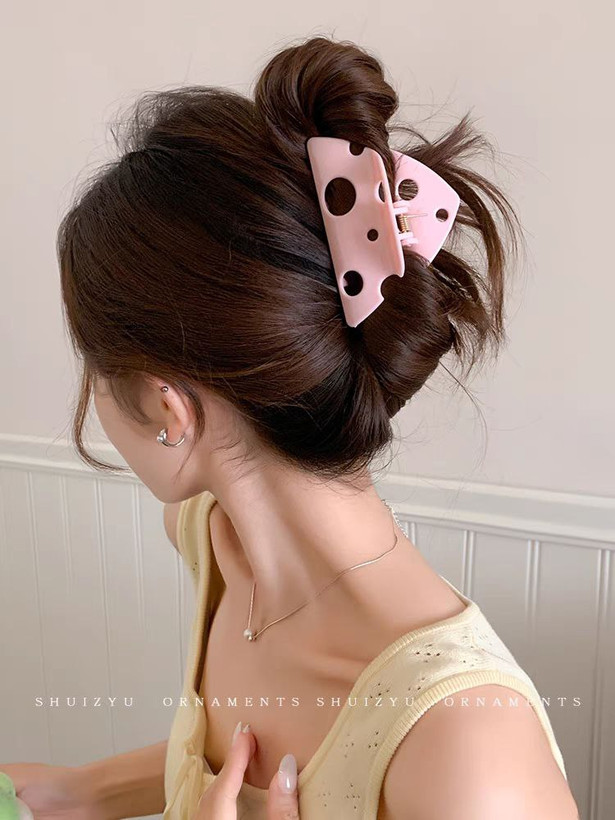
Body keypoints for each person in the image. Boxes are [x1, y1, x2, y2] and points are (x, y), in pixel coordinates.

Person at [2, 34, 579, 820]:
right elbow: (243, 758)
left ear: (169, 409)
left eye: (94, 370)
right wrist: (87, 789)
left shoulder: (467, 752)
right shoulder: (214, 539)